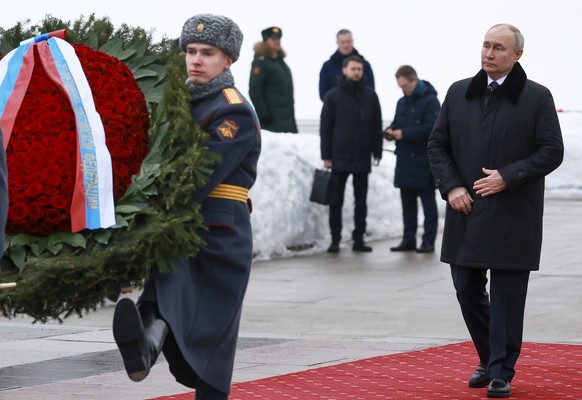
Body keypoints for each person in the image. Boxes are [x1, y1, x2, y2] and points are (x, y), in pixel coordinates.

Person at [112, 14, 261, 400]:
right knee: (163, 292)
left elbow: (197, 177)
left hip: (217, 235)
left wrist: (143, 214)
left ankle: (148, 347)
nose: (195, 59)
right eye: (190, 51)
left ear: (227, 60)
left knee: (213, 336)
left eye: (207, 53)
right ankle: (143, 348)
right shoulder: (172, 103)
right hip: (178, 226)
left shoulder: (233, 111)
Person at [427, 23, 563, 398]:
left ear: (517, 54)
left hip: (513, 211)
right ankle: (490, 356)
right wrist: (452, 186)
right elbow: (437, 145)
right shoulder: (459, 93)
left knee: (507, 295)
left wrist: (508, 175)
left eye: (499, 48)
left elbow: (552, 151)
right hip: (466, 209)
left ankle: (501, 370)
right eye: (486, 46)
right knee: (466, 288)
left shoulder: (536, 97)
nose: (489, 53)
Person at [320, 55, 382, 253]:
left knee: (360, 202)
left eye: (359, 69)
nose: (357, 72)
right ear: (345, 71)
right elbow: (326, 128)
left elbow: (376, 125)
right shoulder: (333, 96)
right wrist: (326, 155)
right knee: (335, 201)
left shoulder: (370, 95)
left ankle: (359, 239)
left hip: (362, 155)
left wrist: (377, 151)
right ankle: (335, 239)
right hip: (339, 156)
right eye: (353, 69)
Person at [386, 65, 440, 253]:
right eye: (399, 86)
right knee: (407, 205)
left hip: (423, 161)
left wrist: (402, 134)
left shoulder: (431, 101)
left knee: (428, 205)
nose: (403, 90)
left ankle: (428, 241)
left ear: (413, 80)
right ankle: (408, 240)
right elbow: (396, 124)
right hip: (404, 161)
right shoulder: (402, 102)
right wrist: (390, 132)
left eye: (404, 86)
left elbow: (432, 129)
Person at [249, 26, 298, 133]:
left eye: (278, 38)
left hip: (287, 120)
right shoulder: (261, 62)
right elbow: (254, 90)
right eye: (273, 39)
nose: (277, 41)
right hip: (272, 122)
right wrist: (263, 114)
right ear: (266, 41)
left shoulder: (280, 62)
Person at [319, 29, 375, 101]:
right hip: (336, 108)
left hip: (360, 108)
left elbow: (371, 90)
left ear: (352, 41)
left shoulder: (365, 65)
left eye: (348, 42)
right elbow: (323, 94)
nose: (346, 45)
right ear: (337, 43)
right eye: (343, 42)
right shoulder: (327, 66)